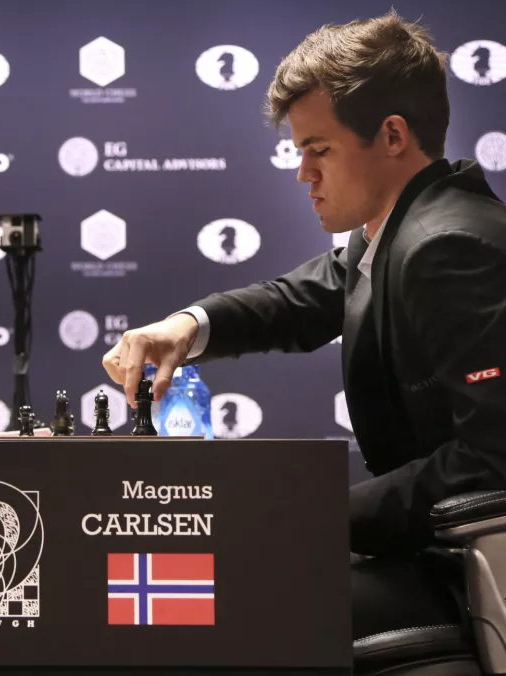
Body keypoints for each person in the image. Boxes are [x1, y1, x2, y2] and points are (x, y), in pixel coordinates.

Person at [103, 12, 506, 642]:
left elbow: (493, 459)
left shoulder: (446, 244)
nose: (304, 174)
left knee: (192, 600)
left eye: (320, 150)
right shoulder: (401, 229)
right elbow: (299, 299)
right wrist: (185, 325)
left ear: (393, 135)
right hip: (434, 553)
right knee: (183, 593)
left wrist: (316, 516)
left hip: (466, 573)